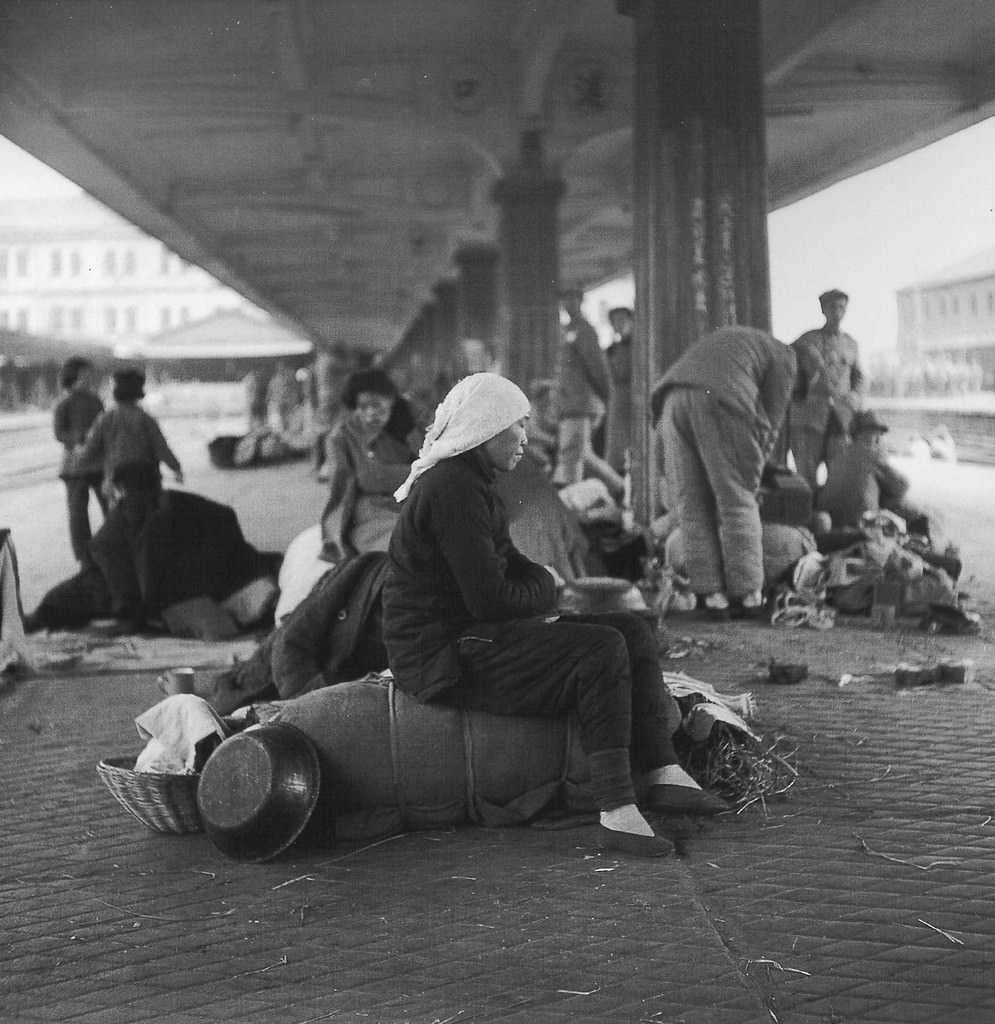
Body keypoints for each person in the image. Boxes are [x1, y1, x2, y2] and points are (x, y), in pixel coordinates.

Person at [382, 372, 726, 861]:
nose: (525, 438)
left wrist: (538, 578)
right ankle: (616, 810)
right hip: (444, 657)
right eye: (516, 427)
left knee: (628, 628)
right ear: (484, 429)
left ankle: (661, 769)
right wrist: (546, 587)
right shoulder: (452, 490)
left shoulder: (471, 481)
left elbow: (505, 562)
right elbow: (491, 601)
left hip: (474, 635)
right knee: (600, 649)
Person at [651, 326, 797, 619]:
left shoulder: (750, 343)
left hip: (671, 402)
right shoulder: (787, 357)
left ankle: (711, 595)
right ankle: (747, 596)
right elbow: (771, 420)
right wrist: (755, 466)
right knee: (737, 500)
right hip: (718, 400)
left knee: (692, 505)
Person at [319, 369, 421, 562]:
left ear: (391, 400)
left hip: (412, 504)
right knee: (401, 548)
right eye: (362, 406)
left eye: (377, 404)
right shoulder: (342, 436)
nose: (370, 412)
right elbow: (346, 489)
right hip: (371, 509)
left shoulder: (406, 423)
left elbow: (433, 466)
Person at [788, 288, 864, 490]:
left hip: (840, 419)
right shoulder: (806, 341)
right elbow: (787, 368)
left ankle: (831, 516)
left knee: (839, 474)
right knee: (806, 474)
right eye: (832, 307)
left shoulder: (851, 344)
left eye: (841, 308)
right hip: (810, 418)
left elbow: (859, 376)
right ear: (823, 310)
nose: (837, 312)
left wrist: (856, 395)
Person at [78, 367, 183, 505]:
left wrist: (78, 454)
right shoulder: (145, 419)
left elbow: (89, 449)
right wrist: (176, 468)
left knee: (121, 519)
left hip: (117, 480)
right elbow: (161, 448)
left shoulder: (106, 418)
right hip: (146, 479)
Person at [553, 286, 621, 496]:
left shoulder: (584, 330)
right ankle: (619, 488)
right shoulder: (568, 329)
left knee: (571, 454)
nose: (567, 304)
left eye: (571, 299)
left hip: (579, 404)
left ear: (580, 300)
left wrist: (607, 395)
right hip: (569, 404)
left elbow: (596, 367)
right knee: (582, 454)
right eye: (564, 299)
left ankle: (572, 504)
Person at [816, 410, 928, 534]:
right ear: (876, 437)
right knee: (893, 497)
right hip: (859, 521)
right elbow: (902, 486)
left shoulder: (839, 453)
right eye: (879, 436)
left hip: (829, 517)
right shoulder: (873, 454)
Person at [52, 357, 108, 564]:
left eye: (89, 375)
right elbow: (59, 433)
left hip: (99, 464)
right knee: (78, 515)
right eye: (84, 376)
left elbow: (104, 426)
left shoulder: (96, 401)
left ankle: (111, 549)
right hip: (74, 467)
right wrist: (80, 437)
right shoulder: (63, 403)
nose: (89, 379)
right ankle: (84, 557)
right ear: (72, 377)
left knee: (109, 508)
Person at [604, 306, 635, 474]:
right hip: (618, 400)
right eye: (616, 321)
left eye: (623, 320)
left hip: (636, 398)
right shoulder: (611, 351)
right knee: (616, 449)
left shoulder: (639, 348)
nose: (620, 324)